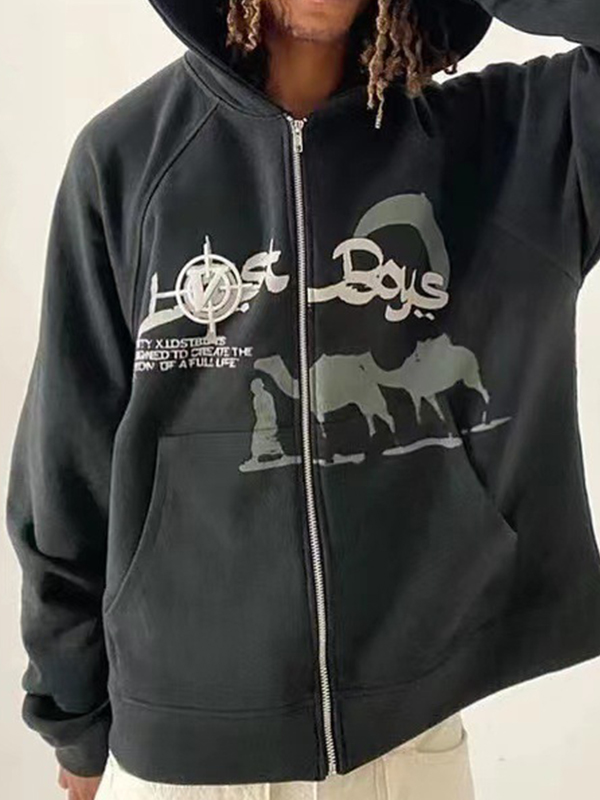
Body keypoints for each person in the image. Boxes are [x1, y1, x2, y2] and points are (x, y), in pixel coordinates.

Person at [5, 0, 600, 799]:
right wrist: (73, 718)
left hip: (407, 746)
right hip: (186, 759)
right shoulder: (125, 161)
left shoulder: (500, 142)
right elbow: (65, 465)